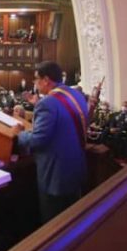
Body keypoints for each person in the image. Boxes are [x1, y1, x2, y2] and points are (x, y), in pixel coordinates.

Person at [16, 61, 88, 223]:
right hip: (76, 167)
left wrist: (20, 134)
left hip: (56, 175)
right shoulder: (76, 94)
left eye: (36, 79)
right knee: (72, 219)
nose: (34, 83)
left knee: (54, 223)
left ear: (46, 80)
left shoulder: (48, 102)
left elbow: (37, 140)